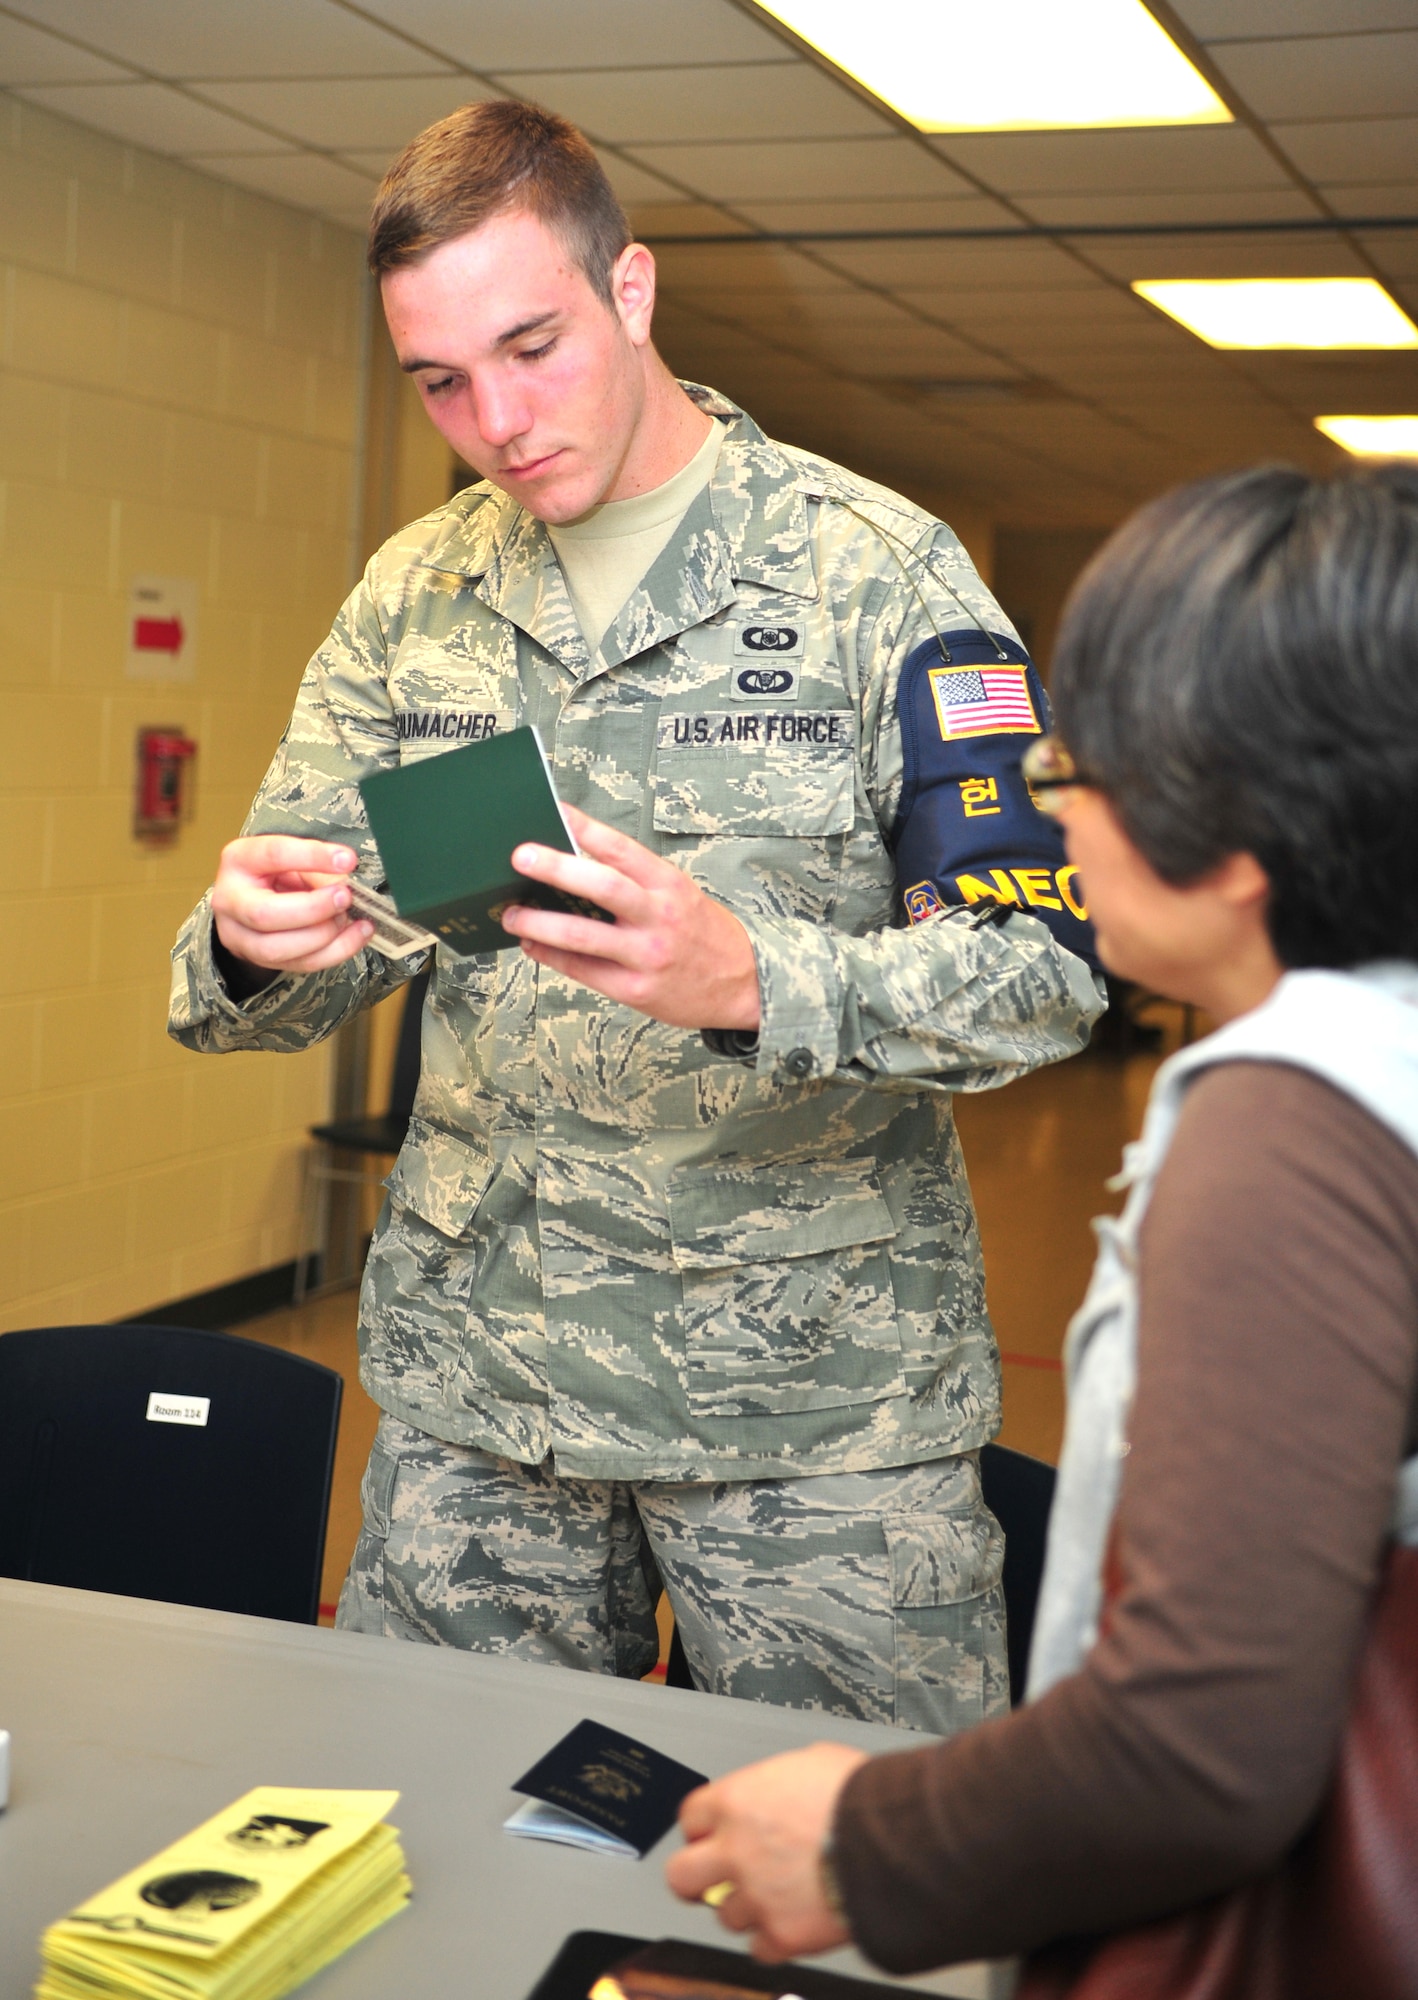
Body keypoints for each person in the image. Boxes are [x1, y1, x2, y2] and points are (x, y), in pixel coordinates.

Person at [167, 100, 1101, 1729]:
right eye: (442, 382)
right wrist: (256, 943)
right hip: (486, 1405)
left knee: (863, 1915)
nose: (498, 421)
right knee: (432, 1864)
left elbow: (1043, 970)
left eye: (534, 347)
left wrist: (760, 977)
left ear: (635, 292)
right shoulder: (414, 594)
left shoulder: (875, 573)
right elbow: (286, 948)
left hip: (814, 1420)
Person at [666, 463, 1418, 1974]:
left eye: (1079, 764)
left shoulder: (1289, 1134)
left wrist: (864, 1840)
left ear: (1239, 823)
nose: (1047, 809)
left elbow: (1198, 1747)